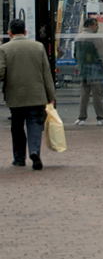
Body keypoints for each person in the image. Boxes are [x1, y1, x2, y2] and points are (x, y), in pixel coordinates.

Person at [0, 18, 56, 170]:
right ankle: (34, 151)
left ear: (9, 32)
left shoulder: (4, 49)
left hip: (15, 95)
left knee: (17, 126)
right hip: (37, 95)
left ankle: (19, 158)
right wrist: (51, 96)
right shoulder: (38, 47)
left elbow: (1, 72)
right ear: (25, 31)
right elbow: (46, 73)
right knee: (35, 124)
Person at [75, 17, 103, 126]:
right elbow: (102, 55)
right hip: (95, 70)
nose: (97, 27)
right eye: (96, 25)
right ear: (91, 25)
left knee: (84, 95)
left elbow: (75, 55)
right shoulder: (95, 38)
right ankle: (101, 117)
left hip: (83, 70)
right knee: (97, 95)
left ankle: (81, 118)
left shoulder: (78, 37)